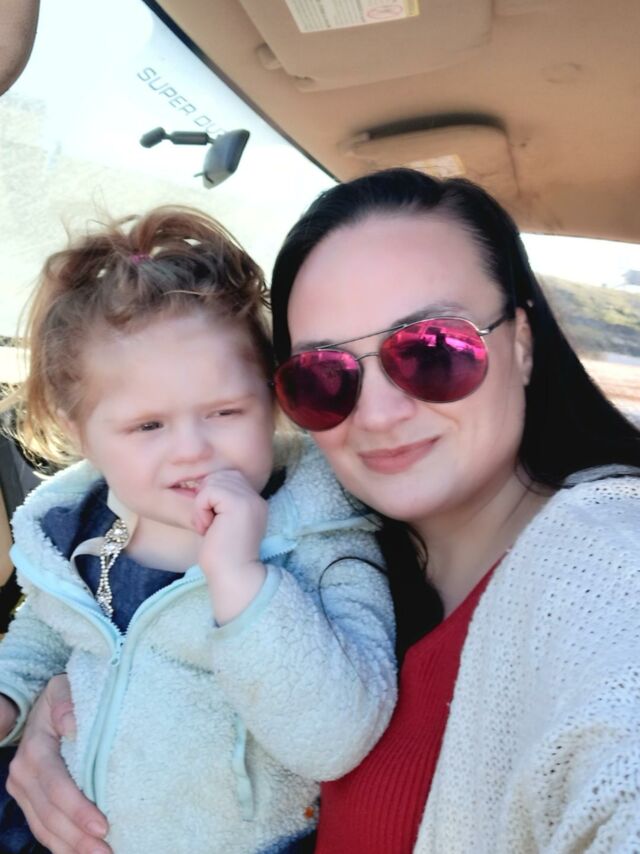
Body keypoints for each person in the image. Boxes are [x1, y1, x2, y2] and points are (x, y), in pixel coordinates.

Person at [7, 169, 640, 853]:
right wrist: (51, 717)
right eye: (324, 375)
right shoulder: (354, 533)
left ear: (521, 341)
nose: (379, 411)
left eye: (432, 349)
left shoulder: (607, 568)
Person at [0, 206, 397, 854]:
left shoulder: (324, 541)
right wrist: (11, 694)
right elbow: (49, 625)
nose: (192, 450)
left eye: (224, 412)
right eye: (148, 426)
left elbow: (336, 739)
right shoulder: (78, 531)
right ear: (80, 433)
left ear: (273, 402)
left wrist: (241, 579)